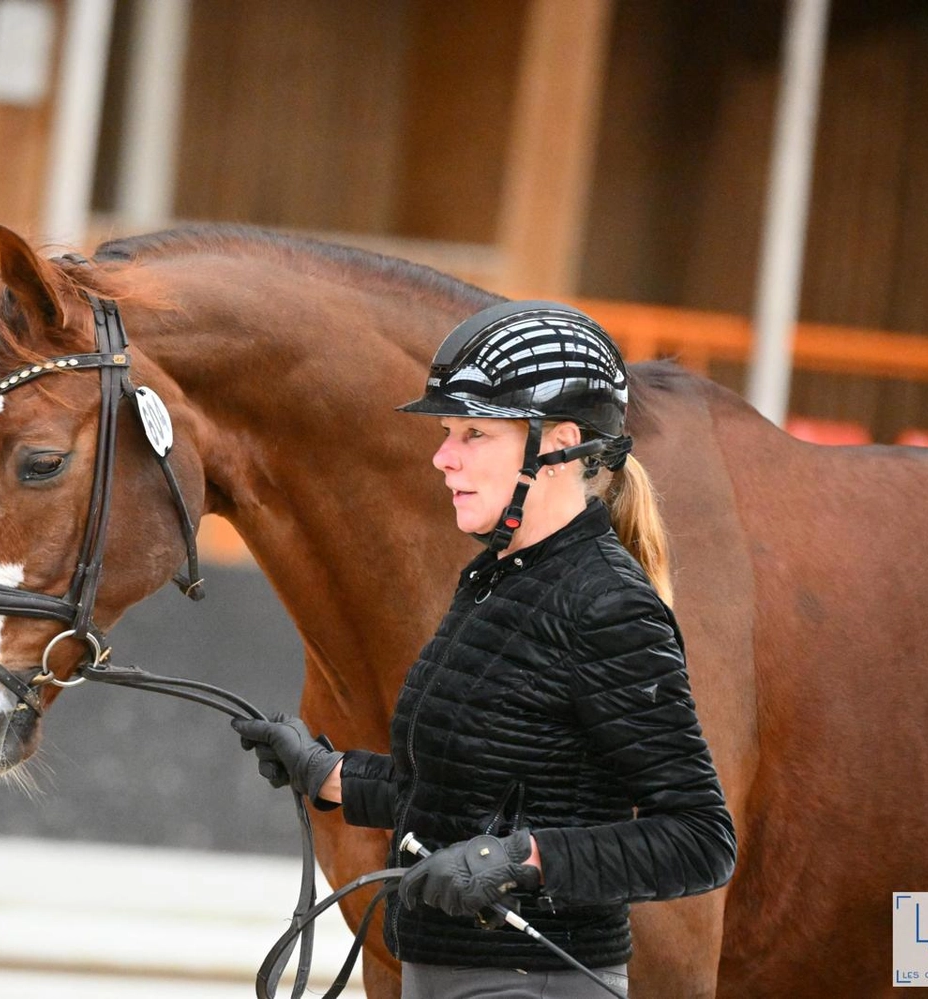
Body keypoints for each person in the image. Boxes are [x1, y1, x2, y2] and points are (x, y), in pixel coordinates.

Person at [233, 301, 736, 998]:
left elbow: (699, 837)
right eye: (447, 432)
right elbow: (468, 792)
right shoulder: (495, 579)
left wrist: (523, 859)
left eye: (473, 433)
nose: (442, 456)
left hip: (534, 981)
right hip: (444, 974)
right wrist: (329, 775)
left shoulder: (608, 606)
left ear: (558, 445)